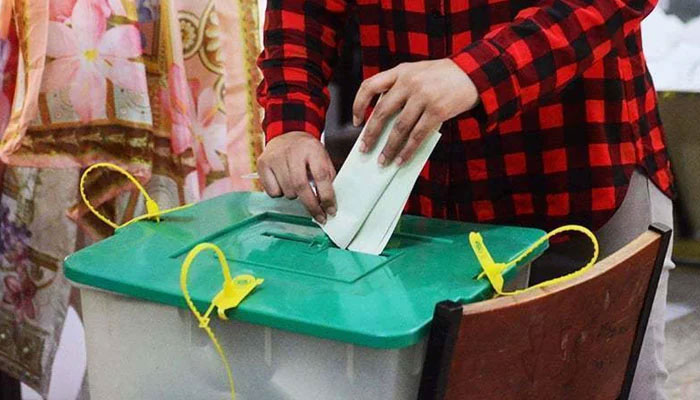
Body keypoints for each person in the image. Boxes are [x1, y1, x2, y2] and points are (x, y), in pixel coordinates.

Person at [255, 0, 675, 398]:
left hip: (580, 178)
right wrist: (291, 121)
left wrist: (478, 73)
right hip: (414, 204)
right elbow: (301, 13)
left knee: (610, 381)